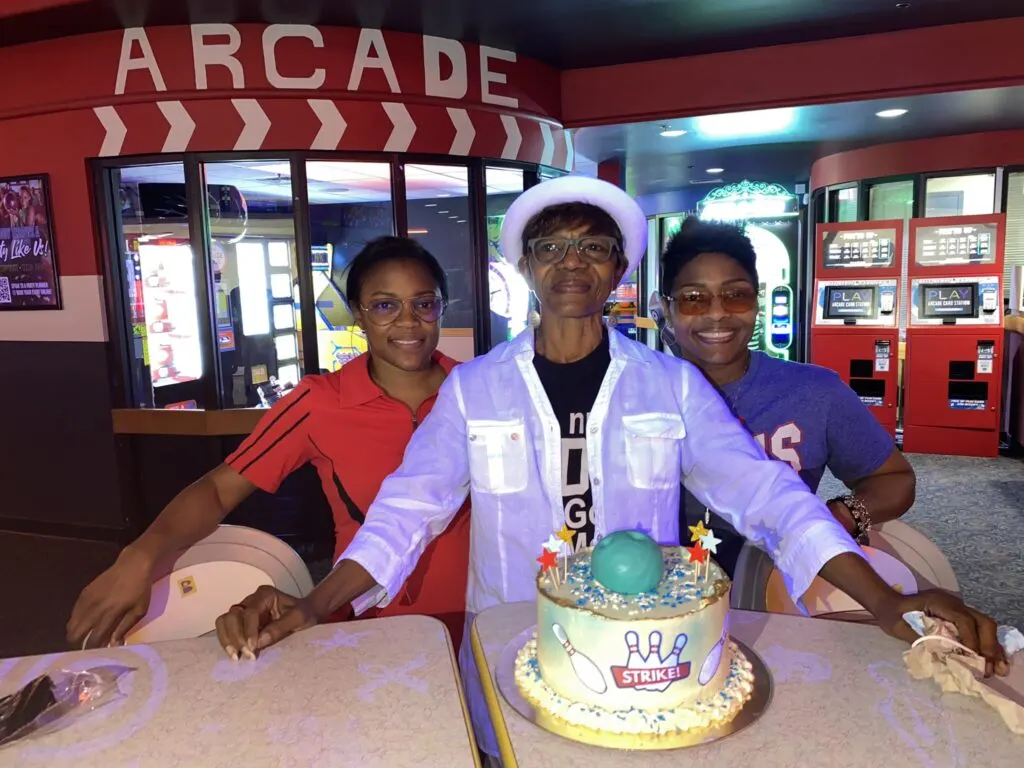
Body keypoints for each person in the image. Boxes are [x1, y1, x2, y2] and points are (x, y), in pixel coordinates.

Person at [214, 178, 1007, 764]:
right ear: (524, 266)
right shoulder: (475, 389)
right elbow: (405, 511)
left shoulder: (669, 385)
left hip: (647, 670)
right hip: (508, 654)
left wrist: (888, 602)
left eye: (593, 246)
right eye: (551, 246)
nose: (572, 262)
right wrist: (316, 605)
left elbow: (767, 496)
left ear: (619, 268)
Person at [66, 236, 471, 652]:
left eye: (424, 303)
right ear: (358, 314)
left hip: (485, 614)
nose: (408, 321)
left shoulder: (479, 391)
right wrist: (140, 556)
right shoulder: (321, 402)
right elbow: (219, 489)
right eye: (386, 305)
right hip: (370, 624)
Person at [661, 217, 916, 576]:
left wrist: (840, 516)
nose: (717, 313)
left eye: (736, 295)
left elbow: (895, 479)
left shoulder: (814, 391)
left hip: (778, 592)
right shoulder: (636, 394)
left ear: (757, 299)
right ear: (666, 308)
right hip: (658, 600)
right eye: (693, 298)